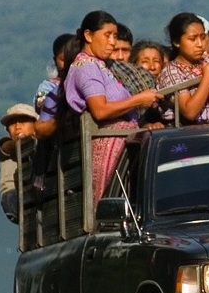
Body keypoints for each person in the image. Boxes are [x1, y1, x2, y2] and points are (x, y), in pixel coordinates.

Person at [64, 10, 162, 203]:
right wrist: (138, 100)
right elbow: (100, 110)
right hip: (108, 142)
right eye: (107, 35)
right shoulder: (87, 66)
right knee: (111, 200)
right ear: (88, 35)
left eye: (115, 36)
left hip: (122, 141)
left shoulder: (102, 65)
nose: (112, 42)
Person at [157, 12, 209, 124]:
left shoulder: (206, 62)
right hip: (187, 134)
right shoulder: (171, 72)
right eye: (192, 39)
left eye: (202, 38)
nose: (200, 44)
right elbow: (189, 112)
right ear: (177, 42)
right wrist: (207, 78)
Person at [0, 103, 38, 223]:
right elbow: (8, 147)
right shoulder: (5, 145)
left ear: (36, 125)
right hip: (12, 196)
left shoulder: (39, 145)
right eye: (13, 123)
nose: (18, 126)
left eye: (23, 121)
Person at [34, 33, 74, 115]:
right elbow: (41, 107)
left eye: (71, 59)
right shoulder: (48, 86)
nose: (67, 64)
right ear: (55, 60)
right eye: (63, 60)